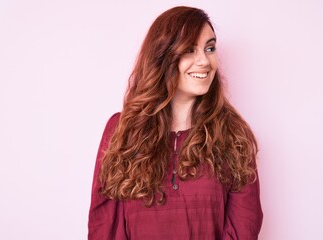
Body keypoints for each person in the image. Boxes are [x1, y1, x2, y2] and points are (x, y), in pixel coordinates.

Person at [88, 6, 263, 240]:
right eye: (190, 50)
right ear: (163, 56)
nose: (205, 61)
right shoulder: (122, 130)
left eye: (209, 48)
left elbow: (245, 227)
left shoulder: (233, 135)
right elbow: (105, 225)